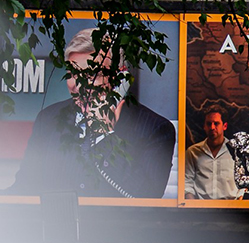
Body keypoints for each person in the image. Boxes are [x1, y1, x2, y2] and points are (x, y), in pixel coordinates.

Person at [9, 29, 175, 198]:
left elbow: (148, 197)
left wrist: (105, 136)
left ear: (120, 77)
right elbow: (24, 187)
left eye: (91, 76)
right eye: (72, 74)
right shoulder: (49, 119)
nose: (79, 86)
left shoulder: (155, 129)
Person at [184, 109, 240, 200]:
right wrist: (193, 207)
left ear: (224, 126)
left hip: (231, 208)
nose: (212, 127)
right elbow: (187, 182)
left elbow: (244, 182)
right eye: (209, 124)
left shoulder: (236, 151)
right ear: (204, 126)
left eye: (216, 123)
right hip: (201, 209)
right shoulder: (193, 152)